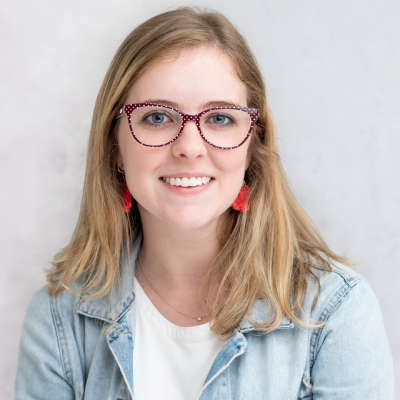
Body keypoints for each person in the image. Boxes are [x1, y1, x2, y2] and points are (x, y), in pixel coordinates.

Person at [15, 7, 394, 400]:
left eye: (220, 119)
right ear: (115, 147)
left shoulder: (334, 311)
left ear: (253, 146)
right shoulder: (59, 321)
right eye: (158, 117)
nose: (190, 147)